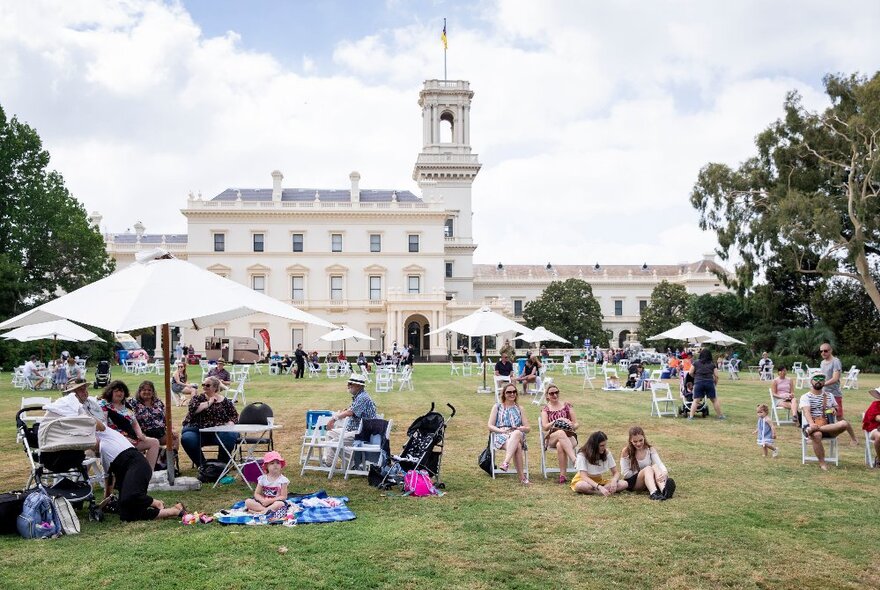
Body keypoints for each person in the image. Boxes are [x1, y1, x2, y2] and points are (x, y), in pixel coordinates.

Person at [52, 379, 184, 522]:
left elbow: (100, 426)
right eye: (80, 390)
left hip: (137, 464)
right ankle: (173, 510)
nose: (85, 391)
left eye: (85, 389)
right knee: (127, 514)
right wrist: (106, 497)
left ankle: (156, 503)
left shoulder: (103, 431)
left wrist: (81, 415)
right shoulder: (101, 444)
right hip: (125, 469)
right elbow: (108, 473)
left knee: (130, 498)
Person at [800, 374, 858, 471]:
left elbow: (836, 407)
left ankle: (811, 431)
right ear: (811, 381)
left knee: (844, 423)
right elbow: (806, 412)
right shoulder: (805, 396)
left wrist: (834, 409)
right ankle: (822, 463)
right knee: (817, 435)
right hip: (812, 424)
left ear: (824, 382)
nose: (819, 381)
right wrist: (811, 424)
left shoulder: (829, 395)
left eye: (821, 379)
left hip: (828, 426)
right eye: (816, 379)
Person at [100, 380, 160, 470]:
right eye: (116, 391)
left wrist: (140, 435)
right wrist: (122, 438)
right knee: (131, 450)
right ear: (110, 392)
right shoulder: (104, 405)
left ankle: (148, 472)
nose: (120, 393)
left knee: (154, 442)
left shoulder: (127, 405)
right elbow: (103, 426)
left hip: (132, 438)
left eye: (122, 391)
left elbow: (135, 423)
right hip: (115, 441)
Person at [180, 376, 239, 467]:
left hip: (219, 431)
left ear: (215, 388)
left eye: (207, 385)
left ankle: (222, 465)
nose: (204, 387)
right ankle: (202, 465)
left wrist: (231, 422)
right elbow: (193, 409)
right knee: (187, 438)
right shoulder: (198, 398)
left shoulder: (224, 401)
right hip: (197, 430)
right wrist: (209, 402)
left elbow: (234, 415)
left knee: (230, 435)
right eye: (203, 384)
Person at [323, 374, 378, 466]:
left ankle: (358, 462)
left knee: (335, 443)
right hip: (353, 429)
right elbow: (349, 410)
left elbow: (350, 412)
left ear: (358, 386)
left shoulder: (363, 397)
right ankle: (329, 463)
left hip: (362, 432)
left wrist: (334, 419)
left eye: (350, 384)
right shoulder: (358, 396)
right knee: (330, 434)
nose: (348, 386)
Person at [130, 380, 179, 470]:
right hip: (143, 435)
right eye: (144, 390)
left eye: (149, 390)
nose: (147, 392)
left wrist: (171, 428)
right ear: (139, 391)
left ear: (153, 392)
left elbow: (167, 416)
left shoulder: (158, 402)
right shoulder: (133, 403)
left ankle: (169, 464)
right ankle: (145, 467)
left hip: (160, 433)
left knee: (174, 438)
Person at [487, 384, 531, 485]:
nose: (512, 394)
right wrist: (501, 431)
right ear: (504, 394)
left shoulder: (520, 408)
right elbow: (490, 425)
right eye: (509, 392)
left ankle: (506, 462)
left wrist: (521, 428)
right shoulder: (497, 407)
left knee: (516, 433)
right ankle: (522, 478)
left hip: (518, 434)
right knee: (517, 446)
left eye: (514, 392)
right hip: (501, 435)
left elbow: (528, 428)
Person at [619, 426, 673, 500]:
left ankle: (664, 490)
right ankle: (653, 493)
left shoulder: (650, 449)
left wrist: (664, 473)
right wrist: (643, 473)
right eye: (635, 441)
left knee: (655, 466)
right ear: (630, 440)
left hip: (649, 479)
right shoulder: (626, 451)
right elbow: (625, 474)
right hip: (634, 482)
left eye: (641, 440)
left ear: (644, 437)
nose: (638, 443)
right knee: (648, 468)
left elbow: (659, 463)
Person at [540, 384, 579, 484]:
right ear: (547, 396)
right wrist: (557, 420)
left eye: (556, 392)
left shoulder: (567, 406)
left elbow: (576, 424)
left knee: (560, 445)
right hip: (552, 436)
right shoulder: (546, 409)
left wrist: (572, 425)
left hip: (569, 436)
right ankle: (575, 460)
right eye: (551, 393)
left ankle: (563, 475)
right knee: (560, 432)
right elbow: (544, 426)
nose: (554, 395)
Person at [571, 431, 627, 496]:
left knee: (624, 484)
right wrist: (599, 487)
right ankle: (599, 492)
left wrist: (614, 481)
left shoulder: (606, 453)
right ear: (594, 446)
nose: (604, 447)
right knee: (580, 486)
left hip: (599, 481)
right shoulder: (582, 454)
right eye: (601, 445)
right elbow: (584, 477)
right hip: (584, 481)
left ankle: (602, 490)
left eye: (605, 445)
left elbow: (616, 472)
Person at [245, 451, 289, 515]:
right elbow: (257, 494)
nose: (275, 465)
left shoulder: (283, 480)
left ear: (281, 465)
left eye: (278, 463)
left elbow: (283, 496)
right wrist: (263, 500)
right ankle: (265, 511)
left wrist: (270, 501)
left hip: (275, 502)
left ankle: (260, 512)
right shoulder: (262, 479)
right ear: (266, 466)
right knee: (248, 501)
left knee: (280, 504)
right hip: (263, 503)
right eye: (272, 463)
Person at [688, 348, 725, 420]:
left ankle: (691, 416)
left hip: (698, 382)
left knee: (696, 400)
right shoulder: (712, 364)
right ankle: (720, 416)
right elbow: (716, 376)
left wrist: (695, 377)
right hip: (709, 382)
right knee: (714, 400)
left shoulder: (696, 363)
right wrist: (715, 384)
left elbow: (690, 372)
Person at [819, 343, 844, 417]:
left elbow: (835, 378)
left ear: (831, 351)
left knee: (839, 417)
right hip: (823, 393)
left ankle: (848, 428)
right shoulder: (822, 363)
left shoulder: (835, 361)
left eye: (825, 351)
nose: (823, 353)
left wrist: (822, 384)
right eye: (821, 351)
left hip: (834, 393)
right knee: (825, 416)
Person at [862, 388, 880, 468]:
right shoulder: (875, 404)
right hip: (875, 429)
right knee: (879, 437)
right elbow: (878, 418)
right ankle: (879, 460)